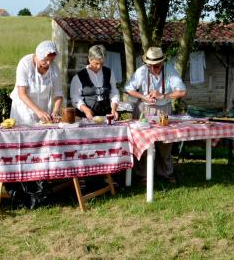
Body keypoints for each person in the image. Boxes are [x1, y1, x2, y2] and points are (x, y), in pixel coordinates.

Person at [125, 47, 186, 184]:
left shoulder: (170, 70)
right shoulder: (141, 71)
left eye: (157, 66)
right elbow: (128, 88)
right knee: (143, 142)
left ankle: (165, 172)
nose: (154, 69)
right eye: (151, 66)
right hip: (143, 110)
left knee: (165, 142)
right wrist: (143, 96)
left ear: (162, 63)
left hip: (164, 109)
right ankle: (143, 175)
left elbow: (182, 91)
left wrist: (163, 95)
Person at [9, 40, 64, 125]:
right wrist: (38, 111)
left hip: (44, 110)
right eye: (45, 60)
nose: (49, 63)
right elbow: (22, 94)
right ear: (39, 56)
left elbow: (58, 94)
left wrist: (56, 111)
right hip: (24, 109)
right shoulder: (25, 64)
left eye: (51, 60)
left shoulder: (54, 68)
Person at [70, 44, 119, 120]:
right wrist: (86, 110)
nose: (99, 66)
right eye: (96, 63)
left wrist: (114, 108)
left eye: (102, 63)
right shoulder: (79, 77)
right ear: (89, 59)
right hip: (86, 118)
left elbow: (114, 92)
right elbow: (75, 98)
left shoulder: (109, 73)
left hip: (106, 116)